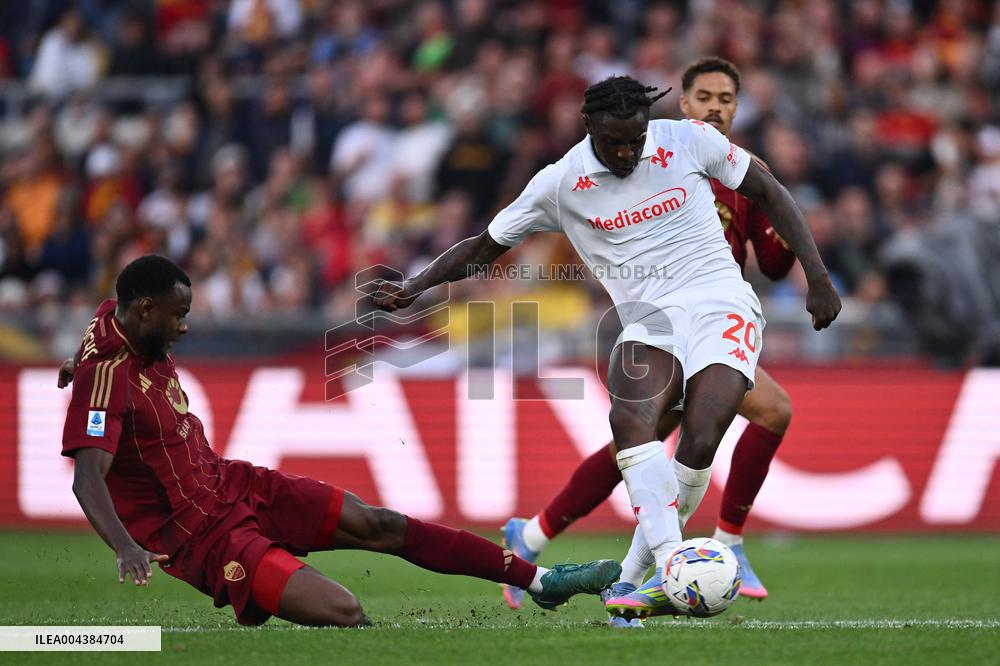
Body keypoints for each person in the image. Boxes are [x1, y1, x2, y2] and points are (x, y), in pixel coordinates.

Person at [373, 75, 840, 624]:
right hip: (648, 319)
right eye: (614, 142)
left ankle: (630, 577)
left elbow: (769, 191)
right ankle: (667, 567)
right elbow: (483, 248)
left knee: (702, 433)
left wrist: (818, 276)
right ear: (587, 125)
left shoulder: (687, 139)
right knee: (633, 420)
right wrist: (414, 287)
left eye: (635, 140)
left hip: (720, 302)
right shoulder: (560, 182)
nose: (627, 152)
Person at [59, 255, 620, 628]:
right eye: (177, 317)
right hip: (203, 537)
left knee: (383, 524)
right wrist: (125, 547)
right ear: (146, 311)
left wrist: (74, 363)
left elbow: (99, 336)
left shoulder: (117, 322)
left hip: (235, 484)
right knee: (346, 612)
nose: (184, 328)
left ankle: (542, 581)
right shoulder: (105, 374)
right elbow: (88, 477)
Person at [500, 57, 797, 617]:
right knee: (656, 441)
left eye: (726, 99)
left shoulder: (738, 173)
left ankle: (539, 538)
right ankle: (712, 548)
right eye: (703, 96)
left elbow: (775, 265)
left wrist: (781, 230)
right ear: (682, 106)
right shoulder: (662, 156)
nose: (715, 107)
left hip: (714, 322)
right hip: (660, 322)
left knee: (652, 445)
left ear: (737, 108)